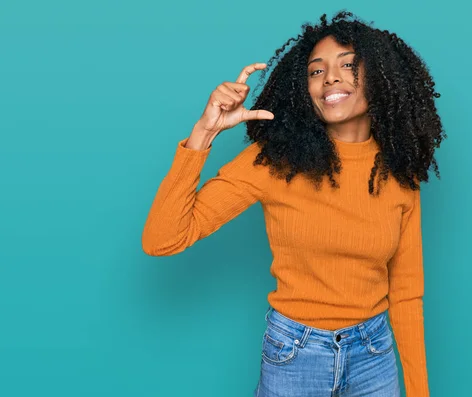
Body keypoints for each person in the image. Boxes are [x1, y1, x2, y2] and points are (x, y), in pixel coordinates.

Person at [142, 10, 446, 397]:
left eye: (348, 64)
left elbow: (405, 293)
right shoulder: (274, 161)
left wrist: (419, 391)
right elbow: (163, 239)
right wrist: (204, 133)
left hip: (374, 354)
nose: (330, 77)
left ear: (382, 76)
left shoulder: (398, 172)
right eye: (316, 71)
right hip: (296, 356)